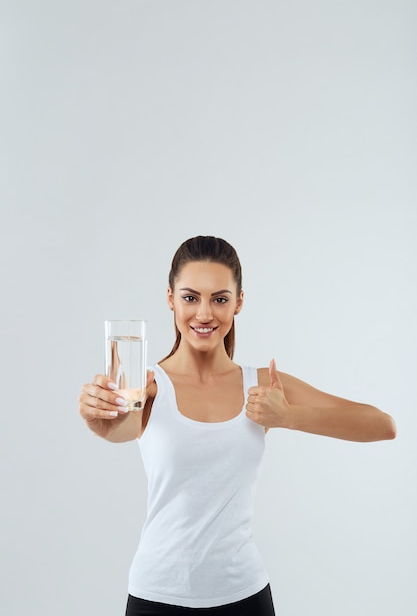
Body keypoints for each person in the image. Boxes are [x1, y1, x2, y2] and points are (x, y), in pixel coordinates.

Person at [79, 235, 396, 616]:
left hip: (244, 597)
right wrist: (96, 418)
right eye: (190, 297)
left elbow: (382, 425)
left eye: (220, 299)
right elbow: (118, 431)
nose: (204, 314)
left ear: (239, 302)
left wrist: (289, 416)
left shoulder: (263, 384)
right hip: (156, 596)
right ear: (170, 298)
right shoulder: (146, 386)